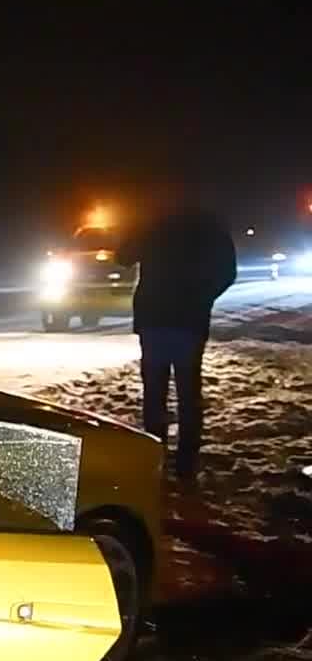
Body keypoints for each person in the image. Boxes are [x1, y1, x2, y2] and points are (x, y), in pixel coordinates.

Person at [118, 190, 236, 484]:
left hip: (155, 319)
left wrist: (137, 226)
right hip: (188, 322)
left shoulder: (152, 224)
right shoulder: (209, 225)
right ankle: (186, 465)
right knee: (189, 394)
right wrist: (203, 298)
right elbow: (228, 272)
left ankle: (155, 461)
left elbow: (123, 256)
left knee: (154, 394)